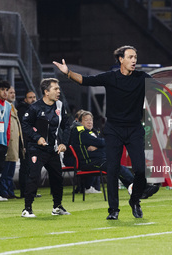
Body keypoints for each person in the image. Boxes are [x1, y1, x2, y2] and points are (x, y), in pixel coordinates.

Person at [53, 45, 157, 220]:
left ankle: (135, 200)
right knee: (113, 169)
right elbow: (85, 80)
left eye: (135, 57)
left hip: (134, 129)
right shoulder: (111, 77)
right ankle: (113, 210)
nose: (134, 60)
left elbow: (161, 87)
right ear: (121, 60)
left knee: (140, 170)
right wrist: (67, 72)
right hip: (114, 129)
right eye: (130, 57)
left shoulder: (142, 78)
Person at [21, 78, 70, 218]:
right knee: (34, 176)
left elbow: (67, 125)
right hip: (36, 149)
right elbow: (25, 124)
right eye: (55, 89)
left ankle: (57, 206)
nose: (59, 91)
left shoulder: (60, 105)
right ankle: (27, 209)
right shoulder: (35, 107)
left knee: (57, 177)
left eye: (58, 88)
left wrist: (64, 143)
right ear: (46, 92)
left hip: (52, 149)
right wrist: (37, 138)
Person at [0, 87, 24, 198]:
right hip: (8, 144)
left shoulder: (12, 107)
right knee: (6, 169)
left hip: (14, 144)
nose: (13, 95)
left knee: (10, 170)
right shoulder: (4, 108)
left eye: (14, 92)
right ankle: (4, 191)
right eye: (11, 93)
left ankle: (9, 191)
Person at [16, 90, 36, 198]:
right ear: (25, 99)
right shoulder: (23, 110)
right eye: (30, 97)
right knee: (25, 167)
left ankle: (30, 191)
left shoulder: (34, 109)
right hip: (25, 142)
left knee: (31, 168)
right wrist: (22, 144)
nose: (33, 99)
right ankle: (24, 192)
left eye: (34, 97)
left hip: (32, 142)